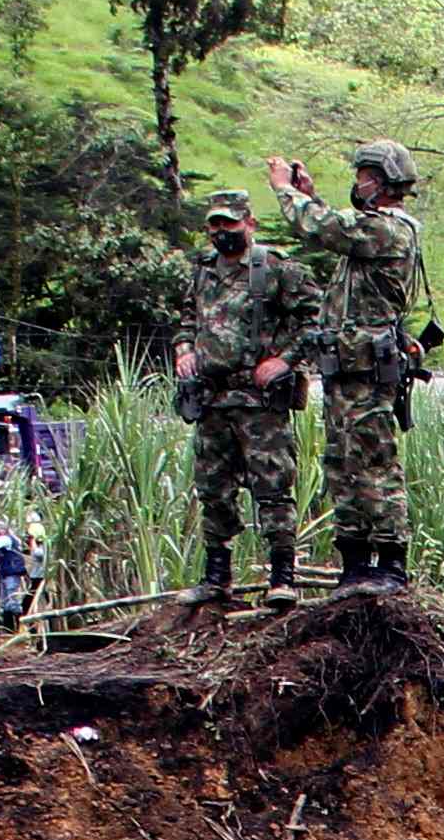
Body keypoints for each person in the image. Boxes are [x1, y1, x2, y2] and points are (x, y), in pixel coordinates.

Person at [273, 142, 430, 593]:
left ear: (381, 181)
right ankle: (356, 563)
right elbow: (336, 225)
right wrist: (311, 194)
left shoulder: (389, 231)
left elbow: (324, 227)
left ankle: (392, 564)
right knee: (341, 462)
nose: (358, 183)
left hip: (366, 373)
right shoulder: (372, 229)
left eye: (363, 175)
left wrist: (288, 192)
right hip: (345, 371)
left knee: (375, 462)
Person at [171, 195, 316, 611]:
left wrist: (284, 360)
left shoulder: (274, 268)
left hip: (259, 402)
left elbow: (315, 319)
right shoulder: (201, 272)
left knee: (273, 488)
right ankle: (217, 578)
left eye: (229, 225)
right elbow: (185, 320)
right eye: (214, 226)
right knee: (213, 491)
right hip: (211, 399)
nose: (220, 233)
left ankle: (282, 577)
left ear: (249, 223)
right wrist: (184, 350)